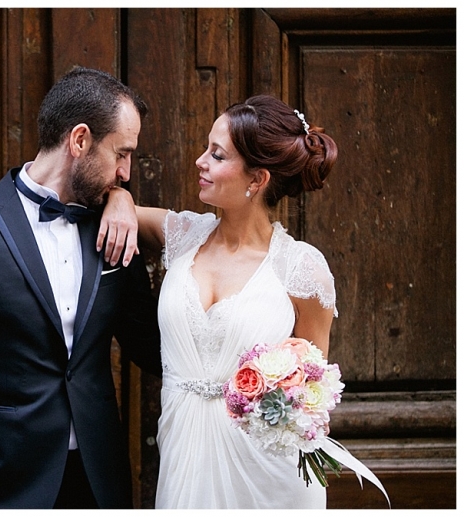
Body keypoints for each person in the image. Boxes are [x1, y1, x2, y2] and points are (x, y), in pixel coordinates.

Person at [0, 66, 161, 509]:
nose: (126, 171)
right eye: (121, 153)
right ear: (79, 141)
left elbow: (154, 348)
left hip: (98, 482)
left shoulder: (115, 225)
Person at [104, 94, 339, 508]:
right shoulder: (182, 236)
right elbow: (124, 207)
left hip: (266, 474)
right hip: (183, 457)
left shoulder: (302, 270)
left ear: (257, 179)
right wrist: (119, 198)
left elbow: (313, 394)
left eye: (217, 154)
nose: (200, 161)